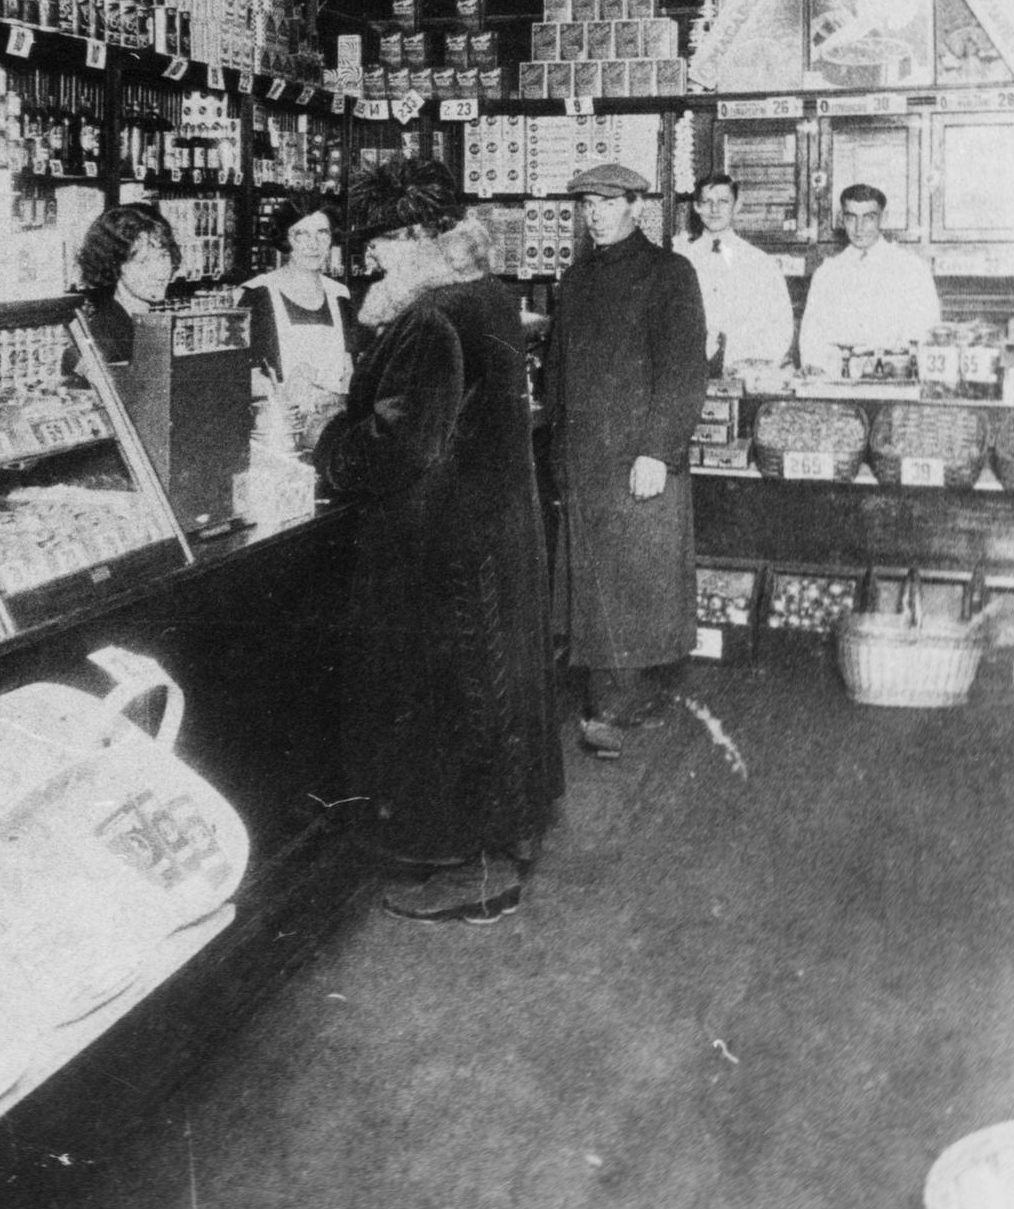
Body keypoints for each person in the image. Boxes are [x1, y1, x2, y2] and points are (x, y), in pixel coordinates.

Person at [312, 157, 560, 924]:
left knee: (461, 699)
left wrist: (329, 444)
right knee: (495, 693)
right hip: (493, 532)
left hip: (445, 546)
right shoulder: (486, 297)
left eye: (382, 244)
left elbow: (401, 446)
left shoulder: (430, 318)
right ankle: (500, 846)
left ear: (420, 237)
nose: (370, 261)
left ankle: (480, 872)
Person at [544, 163, 711, 761]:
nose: (595, 212)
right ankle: (609, 699)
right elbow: (559, 370)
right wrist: (558, 449)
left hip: (639, 456)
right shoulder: (577, 275)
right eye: (588, 202)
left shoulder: (670, 274)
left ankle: (615, 706)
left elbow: (685, 372)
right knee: (596, 581)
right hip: (586, 456)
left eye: (608, 202)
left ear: (638, 206)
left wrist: (658, 451)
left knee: (632, 581)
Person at [795, 183, 943, 375]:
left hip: (893, 384)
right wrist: (816, 369)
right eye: (851, 218)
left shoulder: (912, 270)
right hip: (837, 387)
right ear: (842, 219)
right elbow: (811, 342)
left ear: (884, 218)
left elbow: (925, 338)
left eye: (869, 218)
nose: (859, 228)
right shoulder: (826, 274)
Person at [238, 191, 354, 421]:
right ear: (286, 238)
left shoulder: (340, 295)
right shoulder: (258, 294)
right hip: (278, 425)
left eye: (322, 233)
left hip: (330, 423)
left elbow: (349, 370)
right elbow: (240, 377)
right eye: (301, 234)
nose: (313, 244)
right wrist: (287, 390)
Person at [675, 171, 795, 369]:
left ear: (737, 206)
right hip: (690, 370)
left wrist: (753, 361)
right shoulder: (681, 261)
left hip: (743, 370)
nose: (714, 209)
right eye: (707, 201)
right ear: (696, 206)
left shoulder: (760, 263)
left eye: (723, 201)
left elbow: (780, 326)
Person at [74, 201, 180, 366]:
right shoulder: (102, 338)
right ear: (114, 264)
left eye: (163, 256)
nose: (161, 272)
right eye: (143, 262)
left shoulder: (150, 326)